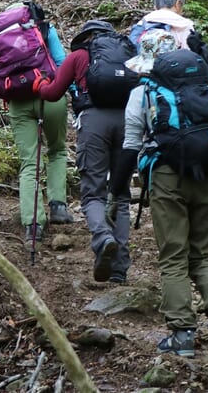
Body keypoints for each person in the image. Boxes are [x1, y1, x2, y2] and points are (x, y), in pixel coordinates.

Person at [122, 29, 208, 357]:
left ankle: (181, 335)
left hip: (168, 176)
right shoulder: (202, 83)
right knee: (202, 255)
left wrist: (117, 188)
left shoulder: (143, 92)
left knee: (174, 257)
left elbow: (131, 144)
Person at [33, 20, 133, 284]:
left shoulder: (78, 56)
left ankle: (102, 238)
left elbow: (54, 93)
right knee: (121, 196)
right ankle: (120, 269)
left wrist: (40, 86)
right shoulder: (126, 54)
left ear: (85, 37)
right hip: (127, 124)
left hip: (93, 124)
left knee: (93, 192)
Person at [0, 4, 73, 243]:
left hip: (18, 104)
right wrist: (74, 90)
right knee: (56, 149)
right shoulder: (44, 29)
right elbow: (62, 62)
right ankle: (58, 207)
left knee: (29, 163)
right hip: (50, 95)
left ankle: (32, 224)